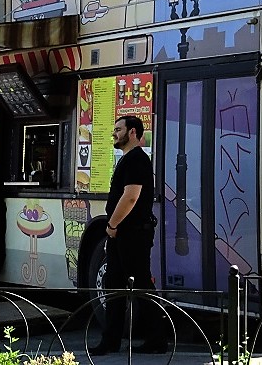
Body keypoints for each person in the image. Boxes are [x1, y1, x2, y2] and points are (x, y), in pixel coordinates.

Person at [89, 116, 167, 356]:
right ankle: (111, 340)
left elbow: (131, 196)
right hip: (123, 234)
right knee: (114, 287)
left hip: (131, 234)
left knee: (141, 285)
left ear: (132, 132)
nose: (114, 133)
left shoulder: (137, 160)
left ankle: (157, 339)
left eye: (118, 129)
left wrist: (112, 225)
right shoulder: (129, 159)